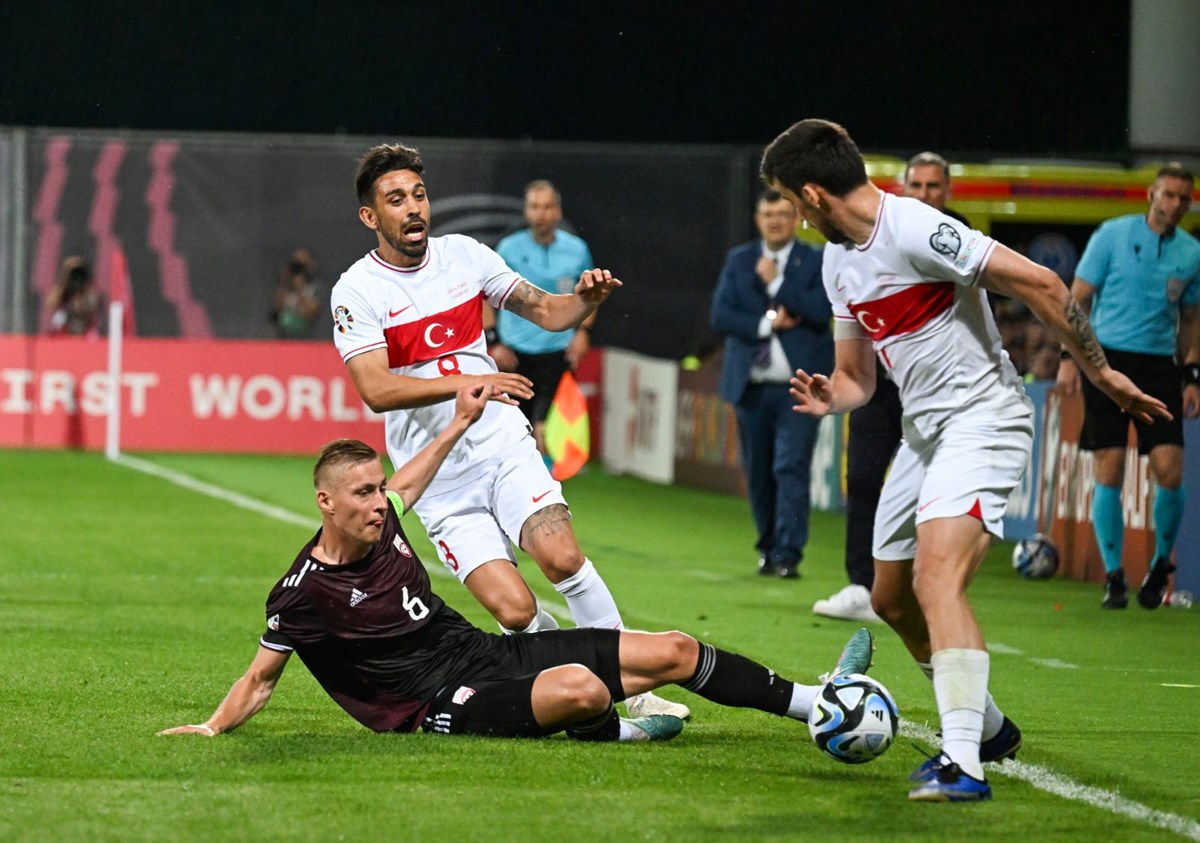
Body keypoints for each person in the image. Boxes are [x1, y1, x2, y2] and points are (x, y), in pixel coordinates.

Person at [761, 118, 1170, 802]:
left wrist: (1101, 374)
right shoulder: (838, 261)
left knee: (936, 577)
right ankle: (991, 729)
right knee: (890, 597)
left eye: (792, 201)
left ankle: (962, 762)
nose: (798, 218)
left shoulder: (916, 227)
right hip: (924, 435)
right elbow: (858, 375)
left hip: (985, 418)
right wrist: (836, 395)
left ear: (812, 194)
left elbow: (1041, 282)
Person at [157, 426, 877, 743]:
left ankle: (815, 705)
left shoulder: (389, 517)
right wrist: (214, 726)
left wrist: (460, 422)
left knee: (676, 649)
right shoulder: (301, 590)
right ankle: (623, 732)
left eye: (379, 489)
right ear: (325, 502)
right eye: (363, 494)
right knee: (582, 689)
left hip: (486, 656)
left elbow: (413, 478)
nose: (379, 503)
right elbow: (260, 678)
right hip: (437, 705)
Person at [328, 143, 688, 720]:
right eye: (396, 200)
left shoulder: (465, 256)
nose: (414, 207)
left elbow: (546, 311)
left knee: (561, 557)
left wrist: (584, 302)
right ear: (370, 216)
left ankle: (634, 688)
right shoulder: (356, 290)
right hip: (436, 475)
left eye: (419, 194)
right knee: (515, 612)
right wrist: (472, 380)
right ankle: (576, 683)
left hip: (500, 445)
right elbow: (375, 388)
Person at [817, 153, 966, 622]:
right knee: (863, 478)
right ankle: (861, 584)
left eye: (933, 186)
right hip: (879, 385)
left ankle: (924, 584)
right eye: (916, 185)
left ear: (948, 191)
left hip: (939, 391)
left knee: (939, 494)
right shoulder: (871, 236)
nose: (925, 194)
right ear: (903, 187)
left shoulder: (954, 235)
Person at [1057, 163, 1200, 610]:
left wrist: (1191, 374)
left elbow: (1191, 319)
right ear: (1152, 195)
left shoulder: (1192, 252)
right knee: (1111, 466)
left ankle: (1159, 566)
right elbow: (1077, 299)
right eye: (1168, 194)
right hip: (1107, 360)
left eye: (1184, 197)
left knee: (1170, 470)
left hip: (1159, 367)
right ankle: (1114, 576)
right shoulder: (1111, 235)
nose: (1175, 204)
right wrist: (1069, 357)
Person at [711, 189, 833, 578]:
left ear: (796, 218)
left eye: (783, 213)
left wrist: (778, 281)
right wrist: (768, 324)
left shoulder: (816, 260)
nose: (775, 221)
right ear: (758, 219)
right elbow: (721, 315)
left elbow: (822, 310)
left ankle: (788, 554)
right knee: (759, 472)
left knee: (790, 466)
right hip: (752, 387)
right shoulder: (740, 259)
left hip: (799, 389)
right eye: (768, 214)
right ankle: (768, 548)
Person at [490, 181, 596, 458]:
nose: (541, 214)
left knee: (548, 430)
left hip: (557, 351)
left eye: (547, 207)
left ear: (558, 211)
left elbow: (591, 294)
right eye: (535, 207)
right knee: (517, 432)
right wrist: (495, 341)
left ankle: (549, 481)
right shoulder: (508, 249)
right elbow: (485, 296)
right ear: (526, 211)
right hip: (515, 353)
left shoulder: (577, 250)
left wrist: (583, 332)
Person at [271, 248, 324, 339]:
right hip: (283, 336)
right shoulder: (285, 287)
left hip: (307, 337)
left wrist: (300, 289)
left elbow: (311, 314)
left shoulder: (315, 288)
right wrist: (286, 283)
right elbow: (276, 312)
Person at [45, 256, 102, 337]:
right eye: (73, 273)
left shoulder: (89, 292)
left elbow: (90, 307)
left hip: (84, 332)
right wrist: (64, 284)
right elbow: (50, 304)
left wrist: (81, 291)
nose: (76, 277)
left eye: (79, 273)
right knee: (60, 314)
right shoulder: (62, 291)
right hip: (64, 331)